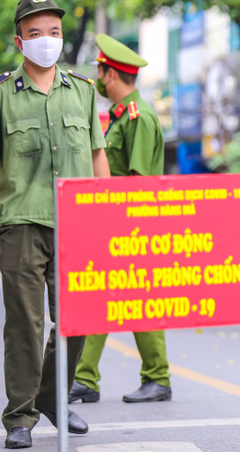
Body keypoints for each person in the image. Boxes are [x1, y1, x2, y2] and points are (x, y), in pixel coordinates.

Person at [0, 0, 110, 449]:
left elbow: (98, 156)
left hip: (77, 224)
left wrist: (107, 216)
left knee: (80, 315)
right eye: (35, 33)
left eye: (53, 32)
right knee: (24, 323)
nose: (46, 40)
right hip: (20, 221)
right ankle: (19, 417)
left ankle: (52, 396)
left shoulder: (82, 91)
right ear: (20, 42)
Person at [68, 34, 171, 405]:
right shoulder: (119, 117)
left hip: (135, 225)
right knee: (105, 297)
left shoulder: (137, 118)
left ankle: (155, 378)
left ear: (111, 74)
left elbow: (140, 184)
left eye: (99, 70)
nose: (97, 77)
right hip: (116, 223)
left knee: (137, 300)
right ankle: (86, 378)